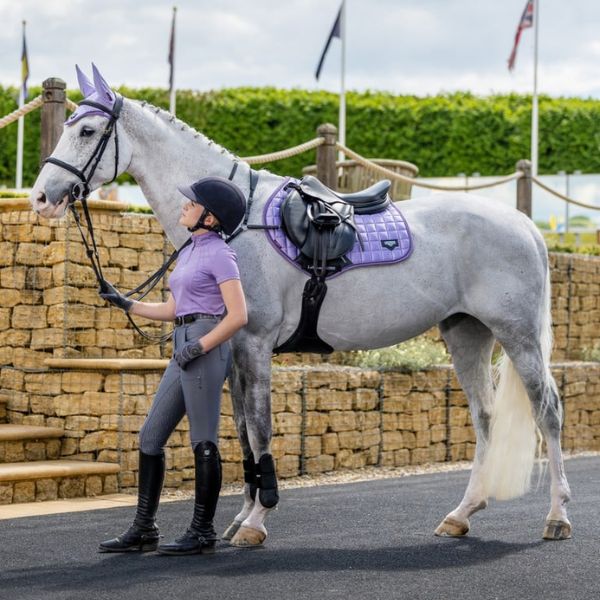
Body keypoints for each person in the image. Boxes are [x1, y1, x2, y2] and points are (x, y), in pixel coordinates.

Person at [98, 176, 248, 556]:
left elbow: (238, 315)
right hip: (183, 344)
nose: (184, 205)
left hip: (205, 348)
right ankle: (144, 528)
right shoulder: (189, 250)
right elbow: (173, 309)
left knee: (203, 440)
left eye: (192, 202)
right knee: (150, 437)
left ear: (210, 218)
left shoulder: (220, 254)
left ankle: (202, 531)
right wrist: (126, 303)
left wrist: (199, 346)